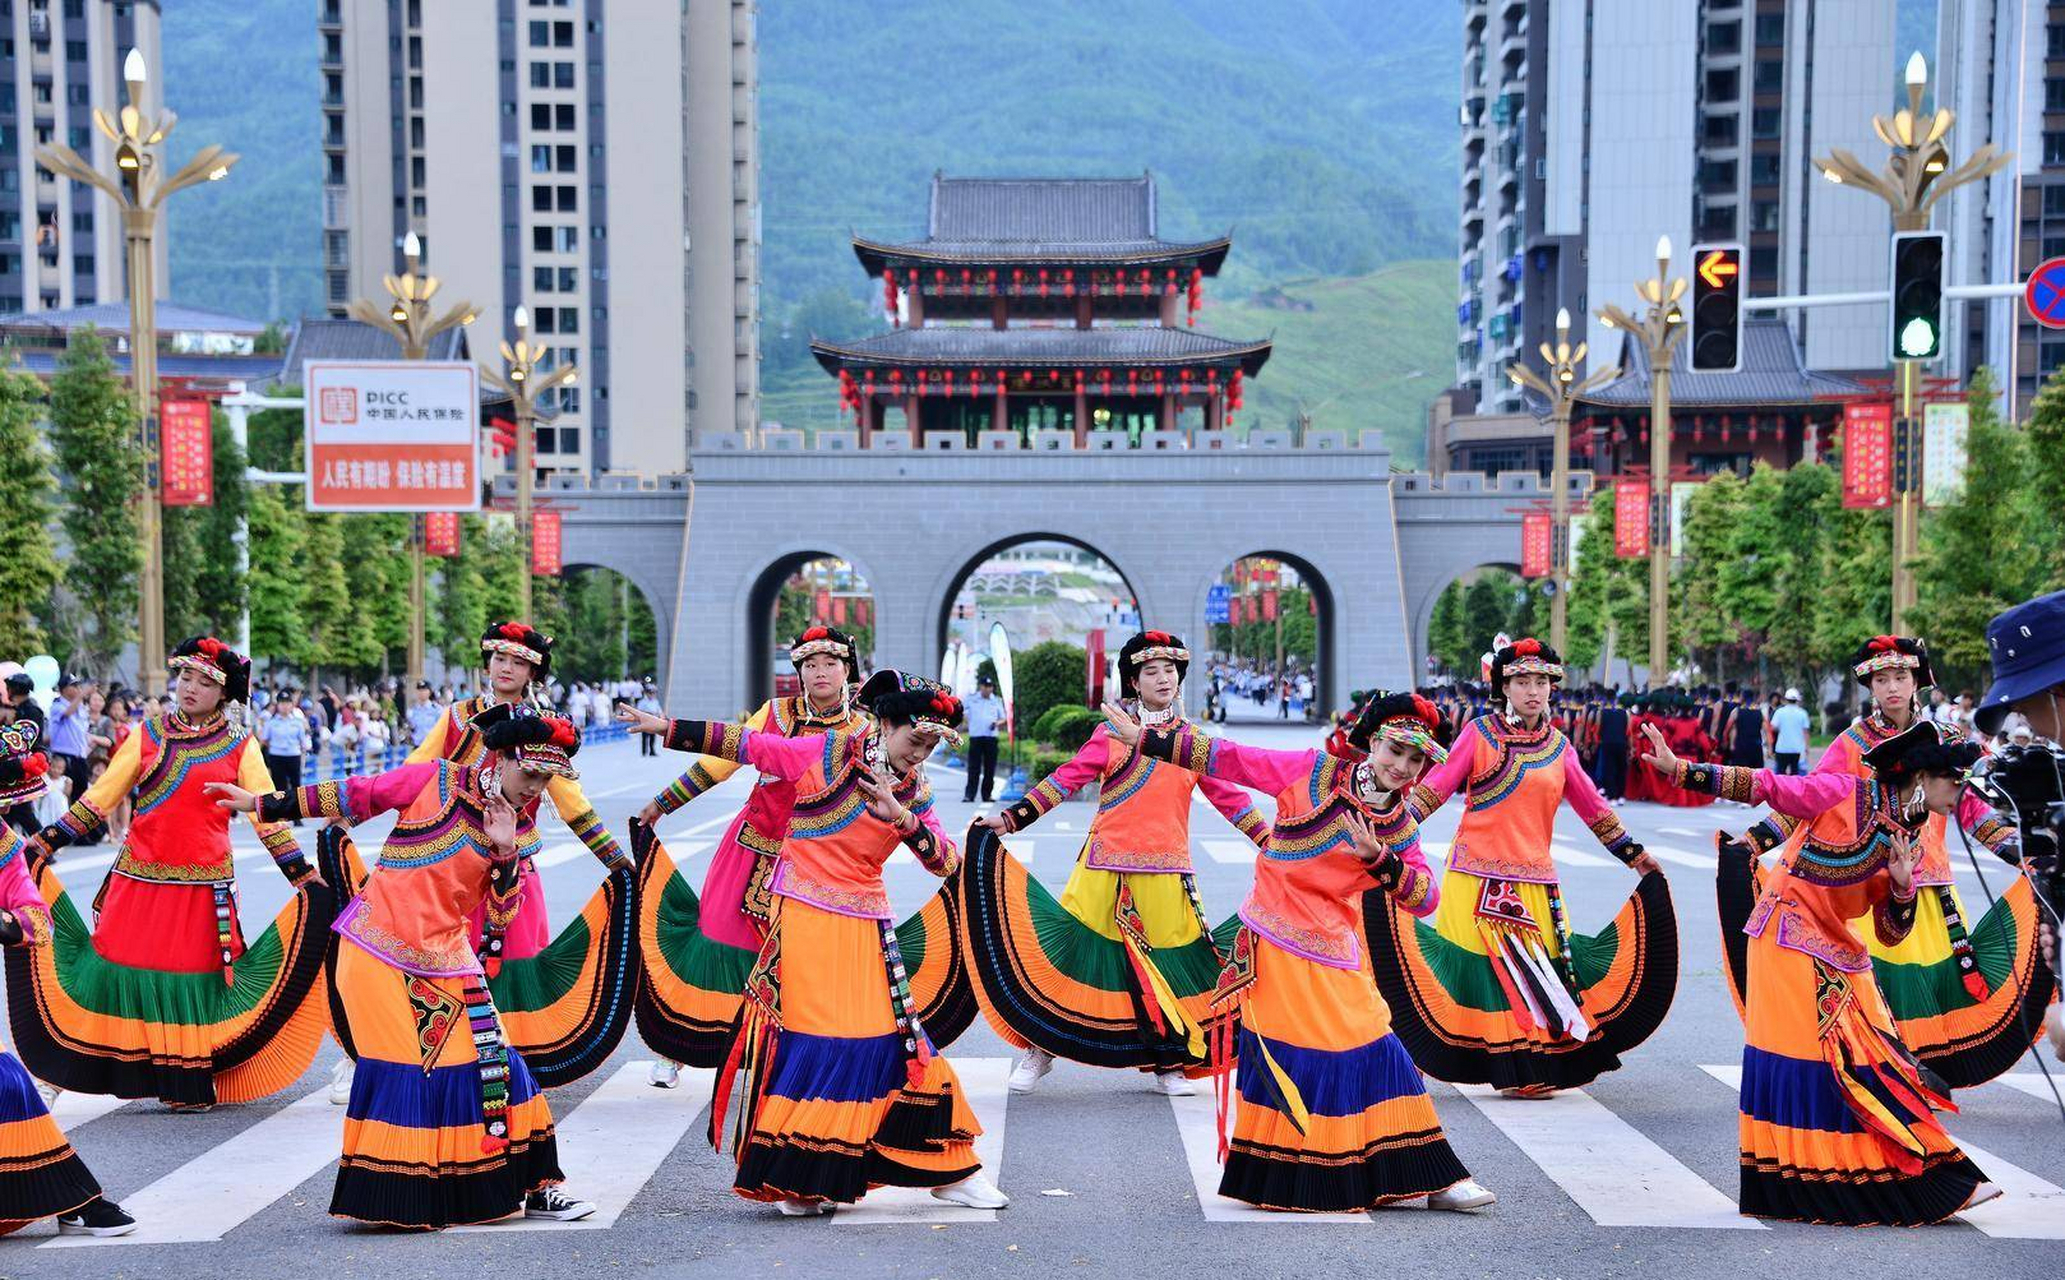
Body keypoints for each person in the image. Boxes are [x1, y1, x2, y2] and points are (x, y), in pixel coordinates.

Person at [618, 671, 1009, 1216]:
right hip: (804, 915)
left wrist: (902, 820)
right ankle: (798, 1175)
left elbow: (946, 860)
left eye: (931, 744)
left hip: (867, 921)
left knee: (899, 1037)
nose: (919, 753)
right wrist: (667, 725)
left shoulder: (913, 790)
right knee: (819, 1036)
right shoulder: (822, 754)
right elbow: (749, 744)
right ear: (884, 723)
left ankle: (948, 1168)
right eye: (914, 738)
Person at [1104, 692, 1495, 1213]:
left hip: (1334, 947)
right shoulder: (1314, 773)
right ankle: (1286, 1176)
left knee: (1379, 1046)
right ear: (1373, 742)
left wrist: (1383, 862)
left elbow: (1427, 898)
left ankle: (1430, 1176)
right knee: (1291, 1053)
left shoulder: (1399, 828)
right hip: (1274, 938)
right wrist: (1148, 740)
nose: (1402, 767)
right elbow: (1233, 758)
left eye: (1416, 759)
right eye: (1396, 750)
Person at [209, 710, 599, 1227]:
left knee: (495, 1063)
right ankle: (401, 1194)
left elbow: (501, 917)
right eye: (530, 775)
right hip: (376, 951)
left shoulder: (518, 828)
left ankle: (534, 1187)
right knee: (403, 1068)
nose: (535, 789)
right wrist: (263, 803)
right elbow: (356, 793)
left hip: (448, 957)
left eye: (546, 781)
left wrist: (505, 850)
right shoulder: (433, 780)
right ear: (501, 758)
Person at [1639, 719, 2002, 1225]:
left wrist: (1901, 888)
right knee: (1825, 1057)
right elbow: (1770, 785)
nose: (1960, 793)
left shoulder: (1910, 841)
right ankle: (1828, 1178)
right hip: (1785, 935)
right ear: (1922, 777)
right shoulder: (1842, 793)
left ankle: (1901, 1169)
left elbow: (1892, 931)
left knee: (1875, 1052)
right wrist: (1682, 770)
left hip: (1839, 948)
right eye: (1955, 780)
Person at [12, 637, 337, 1109]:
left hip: (201, 889)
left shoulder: (241, 746)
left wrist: (301, 875)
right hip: (137, 882)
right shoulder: (148, 733)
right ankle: (66, 1074)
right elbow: (101, 798)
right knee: (108, 972)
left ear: (223, 694)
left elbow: (264, 813)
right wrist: (44, 843)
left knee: (194, 982)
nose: (190, 688)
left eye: (205, 683)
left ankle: (184, 1081)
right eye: (186, 677)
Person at [962, 631, 1270, 1097]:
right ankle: (1040, 1050)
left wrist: (1272, 843)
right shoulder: (1110, 734)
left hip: (1168, 872)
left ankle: (1169, 1060)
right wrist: (1011, 817)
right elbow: (1067, 778)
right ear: (1134, 681)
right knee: (1072, 960)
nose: (1163, 678)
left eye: (1170, 670)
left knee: (1168, 970)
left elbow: (1230, 798)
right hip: (1103, 866)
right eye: (1152, 671)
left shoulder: (1192, 743)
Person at [1366, 638, 1675, 1096]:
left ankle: (1528, 1066)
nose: (1533, 691)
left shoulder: (1560, 747)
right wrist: (1386, 829)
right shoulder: (1480, 734)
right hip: (1474, 878)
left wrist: (1633, 853)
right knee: (1464, 971)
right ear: (1503, 687)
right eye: (1522, 681)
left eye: (1541, 682)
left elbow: (1594, 809)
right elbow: (1433, 791)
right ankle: (1433, 1054)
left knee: (1542, 973)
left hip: (1536, 882)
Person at [1738, 637, 2045, 1088]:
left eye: (1901, 677)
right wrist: (1753, 842)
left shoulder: (1947, 741)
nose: (1892, 688)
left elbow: (1972, 809)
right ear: (1870, 687)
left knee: (1933, 990)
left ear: (1917, 681)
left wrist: (2022, 853)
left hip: (1929, 882)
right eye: (1882, 680)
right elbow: (1810, 801)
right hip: (1873, 883)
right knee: (1877, 985)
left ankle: (1920, 1075)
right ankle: (1880, 1073)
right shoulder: (1852, 742)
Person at [632, 626, 898, 1090]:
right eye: (810, 665)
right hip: (751, 847)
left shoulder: (863, 730)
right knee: (714, 943)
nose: (820, 673)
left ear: (847, 670)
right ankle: (676, 1048)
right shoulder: (774, 714)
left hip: (818, 860)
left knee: (799, 961)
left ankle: (779, 1054)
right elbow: (722, 758)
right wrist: (663, 803)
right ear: (797, 673)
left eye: (830, 664)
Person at [0, 722, 136, 1237]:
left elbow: (37, 921)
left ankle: (67, 1195)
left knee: (9, 1085)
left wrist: (2, 923)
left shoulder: (4, 849)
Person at [258, 689, 309, 810]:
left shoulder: (297, 722)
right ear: (278, 705)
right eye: (282, 703)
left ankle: (296, 813)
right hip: (277, 756)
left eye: (287, 703)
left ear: (292, 705)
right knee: (279, 787)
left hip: (293, 755)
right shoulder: (271, 723)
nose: (285, 706)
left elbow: (303, 742)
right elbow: (264, 739)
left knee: (296, 786)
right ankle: (281, 812)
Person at [960, 675, 1005, 803]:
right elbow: (961, 710)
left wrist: (997, 723)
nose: (988, 689)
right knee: (974, 767)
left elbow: (1003, 717)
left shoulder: (996, 700)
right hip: (976, 737)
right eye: (986, 686)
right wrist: (965, 720)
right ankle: (969, 795)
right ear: (981, 687)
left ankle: (987, 795)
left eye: (990, 687)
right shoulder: (972, 699)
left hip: (991, 737)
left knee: (990, 768)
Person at [1770, 688, 1810, 775]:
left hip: (1782, 748)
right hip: (1797, 749)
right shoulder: (1803, 713)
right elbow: (1806, 732)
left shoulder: (1779, 712)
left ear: (1786, 699)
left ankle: (1780, 789)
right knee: (1796, 775)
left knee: (1780, 775)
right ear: (1797, 700)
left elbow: (1773, 728)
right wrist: (1807, 747)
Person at [405, 679, 442, 748]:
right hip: (417, 746)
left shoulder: (437, 709)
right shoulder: (412, 711)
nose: (421, 693)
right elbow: (410, 729)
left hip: (432, 746)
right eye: (419, 690)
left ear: (429, 692)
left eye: (424, 690)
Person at [634, 683, 662, 757]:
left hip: (654, 720)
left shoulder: (655, 701)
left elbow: (659, 710)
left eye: (653, 693)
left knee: (653, 737)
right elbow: (639, 711)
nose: (652, 694)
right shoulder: (642, 702)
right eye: (650, 693)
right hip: (645, 720)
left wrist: (660, 716)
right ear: (646, 693)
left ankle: (652, 751)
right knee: (645, 736)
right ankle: (644, 751)